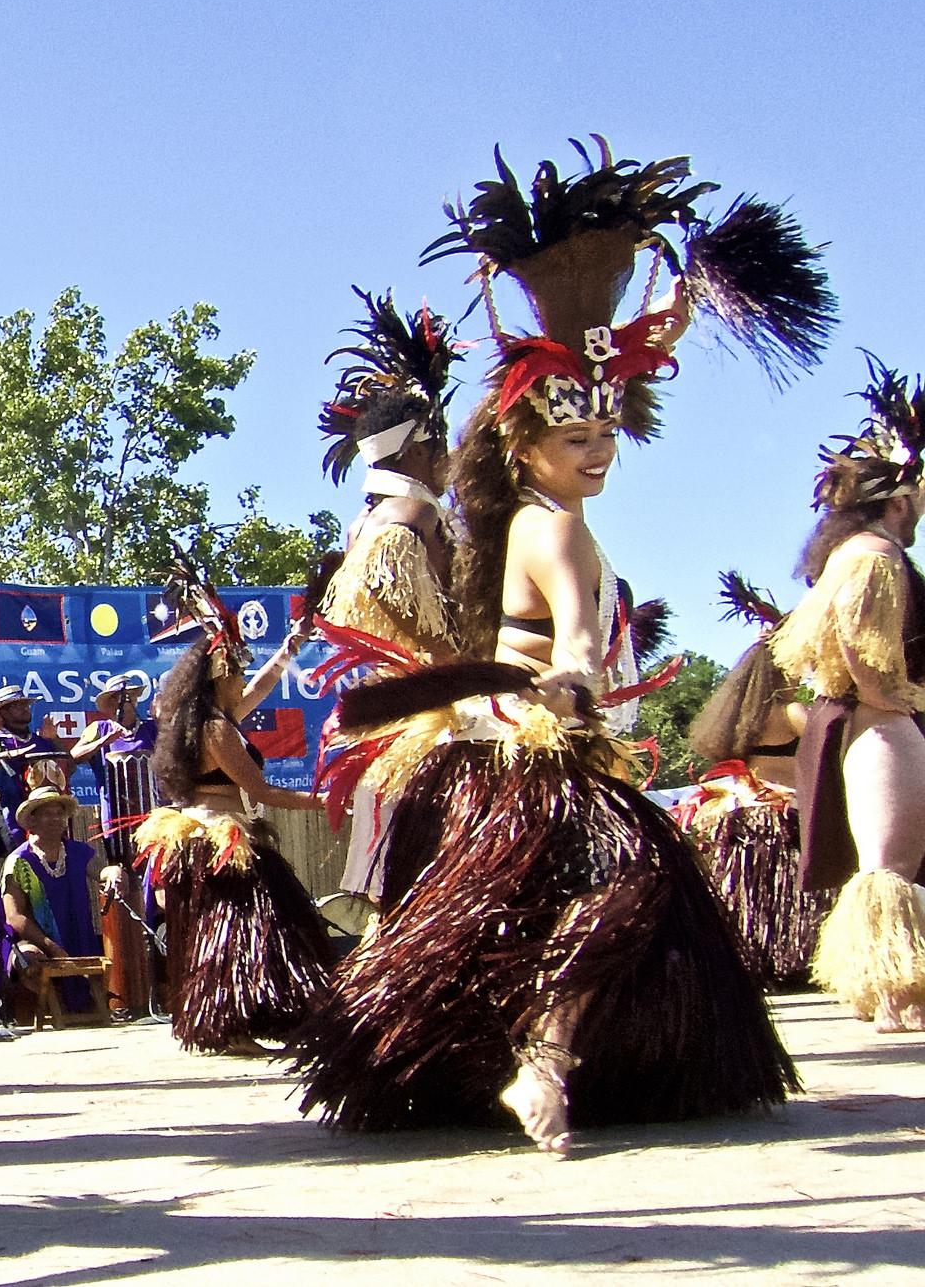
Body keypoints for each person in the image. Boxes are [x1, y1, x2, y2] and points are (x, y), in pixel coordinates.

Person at [294, 141, 817, 1157]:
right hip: (536, 743)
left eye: (607, 441)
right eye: (578, 442)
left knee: (507, 909)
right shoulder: (550, 528)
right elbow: (574, 639)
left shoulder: (512, 525)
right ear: (525, 447)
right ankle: (547, 1055)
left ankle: (486, 1055)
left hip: (509, 744)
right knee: (628, 886)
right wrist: (573, 680)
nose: (598, 456)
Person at [769, 360, 925, 1030]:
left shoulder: (850, 551)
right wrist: (896, 698)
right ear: (898, 499)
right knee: (892, 863)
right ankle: (893, 995)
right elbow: (863, 648)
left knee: (889, 861)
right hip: (877, 724)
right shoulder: (876, 555)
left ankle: (894, 994)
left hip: (858, 723)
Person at [137, 573, 331, 1056]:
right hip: (220, 838)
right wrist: (325, 802)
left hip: (208, 834)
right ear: (223, 674)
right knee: (244, 934)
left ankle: (236, 1025)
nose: (245, 678)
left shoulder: (209, 719)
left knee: (236, 934)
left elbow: (257, 691)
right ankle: (235, 1029)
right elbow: (261, 788)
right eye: (239, 672)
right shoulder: (218, 730)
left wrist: (287, 651)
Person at [313, 289, 462, 904]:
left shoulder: (362, 519)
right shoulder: (407, 513)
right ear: (421, 450)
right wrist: (460, 665)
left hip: (395, 707)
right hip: (435, 709)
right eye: (443, 445)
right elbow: (404, 605)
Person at [676, 572, 831, 987]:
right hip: (784, 808)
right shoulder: (794, 713)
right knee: (787, 894)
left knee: (749, 897)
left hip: (741, 806)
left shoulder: (743, 718)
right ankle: (796, 957)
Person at [0, 786, 120, 1009]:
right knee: (32, 960)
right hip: (34, 942)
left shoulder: (77, 851)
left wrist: (114, 872)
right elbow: (15, 917)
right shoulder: (18, 861)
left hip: (78, 937)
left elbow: (101, 871)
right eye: (48, 814)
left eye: (59, 813)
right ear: (32, 821)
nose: (55, 819)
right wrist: (51, 946)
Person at [0, 685, 62, 856]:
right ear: (3, 712)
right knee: (22, 859)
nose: (24, 709)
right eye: (16, 706)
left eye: (25, 705)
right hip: (12, 814)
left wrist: (54, 739)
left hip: (47, 814)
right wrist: (6, 756)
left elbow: (68, 767)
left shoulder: (40, 740)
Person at [71, 674, 158, 844]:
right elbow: (74, 756)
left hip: (153, 809)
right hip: (114, 810)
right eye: (121, 697)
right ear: (111, 703)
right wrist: (103, 742)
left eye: (131, 696)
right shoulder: (99, 728)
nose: (128, 700)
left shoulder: (153, 727)